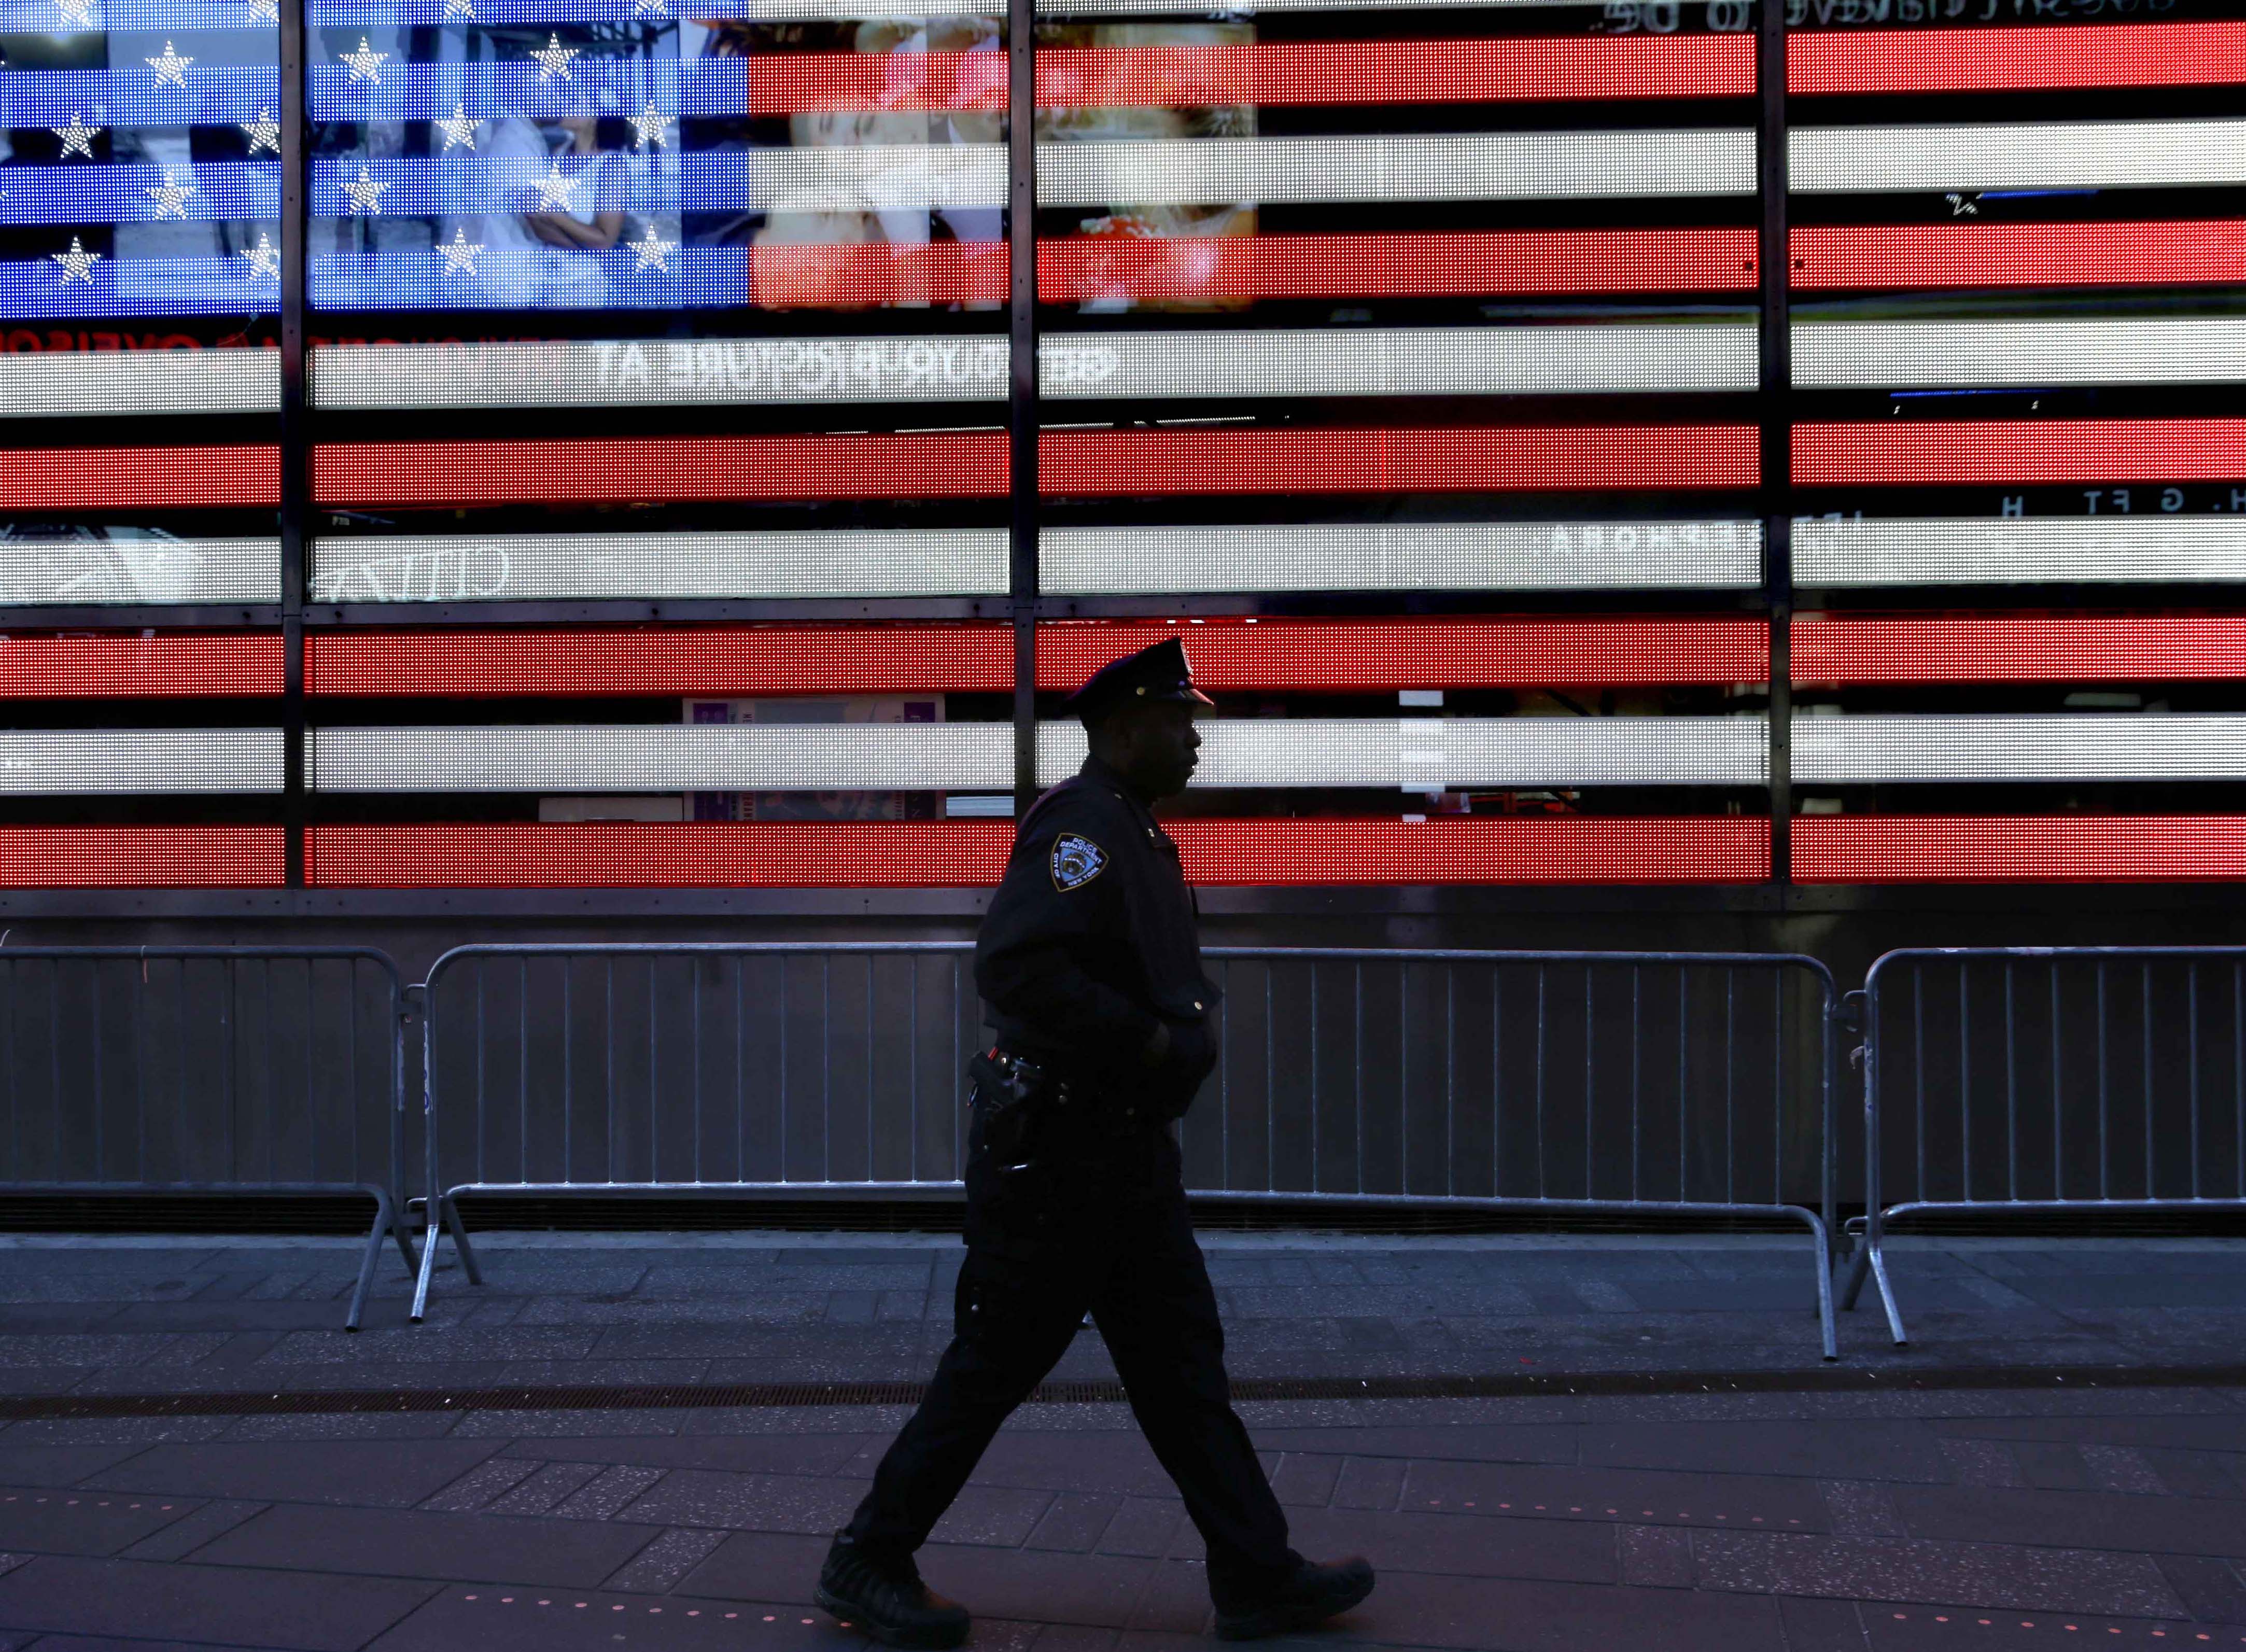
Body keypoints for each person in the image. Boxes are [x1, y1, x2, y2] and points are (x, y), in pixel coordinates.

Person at [813, 637, 1377, 1648]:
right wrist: (1149, 1041)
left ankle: (1256, 1574)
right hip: (1062, 1160)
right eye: (1177, 722)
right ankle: (869, 1556)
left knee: (1182, 1368)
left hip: (1122, 1158)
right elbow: (1016, 966)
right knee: (995, 1364)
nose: (1195, 740)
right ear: (1123, 731)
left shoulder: (1133, 830)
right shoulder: (1083, 829)